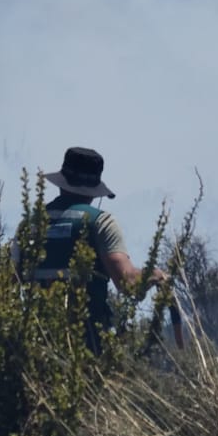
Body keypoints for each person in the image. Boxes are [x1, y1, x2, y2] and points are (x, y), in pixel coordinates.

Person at [28, 146, 168, 353]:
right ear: (94, 192)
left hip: (35, 345)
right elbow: (127, 282)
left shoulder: (33, 223)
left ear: (61, 183)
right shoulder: (101, 222)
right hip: (86, 346)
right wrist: (157, 276)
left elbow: (9, 278)